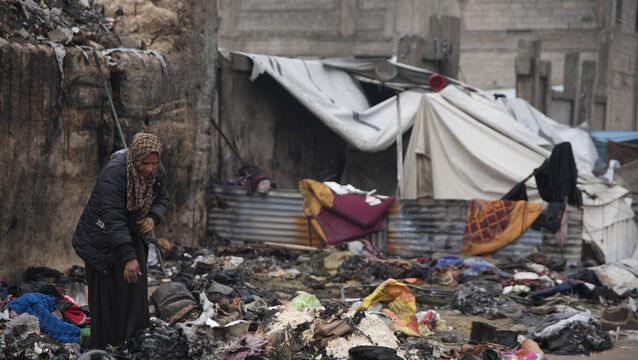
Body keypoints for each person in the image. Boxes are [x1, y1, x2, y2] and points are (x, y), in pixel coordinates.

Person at [72, 132, 169, 349]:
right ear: (135, 157)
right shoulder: (114, 174)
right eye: (145, 163)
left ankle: (131, 345)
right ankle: (105, 347)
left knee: (134, 295)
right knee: (108, 298)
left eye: (154, 163)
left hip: (130, 233)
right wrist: (129, 257)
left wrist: (153, 217)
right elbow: (113, 217)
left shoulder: (157, 172)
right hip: (100, 238)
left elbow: (163, 198)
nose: (149, 168)